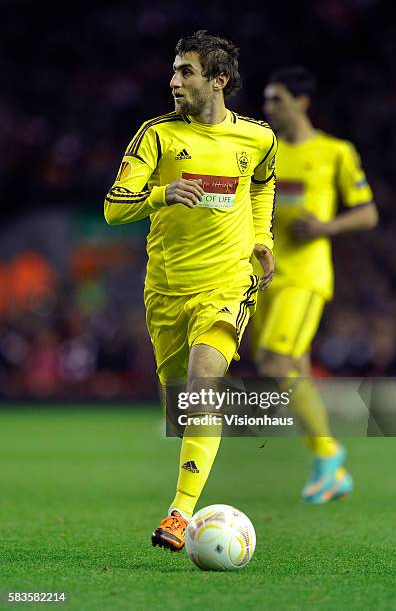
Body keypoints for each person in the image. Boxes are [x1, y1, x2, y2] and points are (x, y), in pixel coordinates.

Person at [104, 31, 277, 551]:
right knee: (181, 412)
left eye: (186, 71)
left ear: (219, 80)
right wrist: (162, 193)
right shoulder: (156, 135)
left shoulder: (257, 138)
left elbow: (263, 183)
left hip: (226, 282)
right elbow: (115, 207)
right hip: (166, 289)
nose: (174, 80)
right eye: (174, 70)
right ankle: (193, 468)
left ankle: (179, 514)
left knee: (206, 379)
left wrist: (262, 239)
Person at [252, 66, 378, 504]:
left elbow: (367, 212)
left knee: (274, 361)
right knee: (293, 371)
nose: (268, 108)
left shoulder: (335, 152)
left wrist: (326, 226)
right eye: (266, 100)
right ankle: (331, 469)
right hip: (264, 275)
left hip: (305, 277)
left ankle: (328, 453)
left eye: (277, 100)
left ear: (302, 102)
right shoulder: (264, 150)